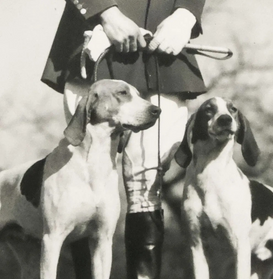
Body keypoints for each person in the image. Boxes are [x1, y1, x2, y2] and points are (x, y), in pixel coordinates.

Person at [41, 0, 207, 278]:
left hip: (165, 51)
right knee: (80, 185)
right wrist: (105, 11)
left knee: (147, 184)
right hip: (96, 42)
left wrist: (187, 13)